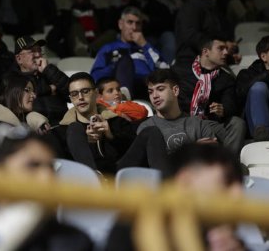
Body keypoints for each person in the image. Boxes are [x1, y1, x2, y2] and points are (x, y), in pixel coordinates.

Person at [106, 143, 245, 251]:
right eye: (227, 181)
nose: (238, 195)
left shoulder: (232, 242)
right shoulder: (130, 231)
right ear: (185, 180)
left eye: (240, 184)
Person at [54, 72, 169, 175]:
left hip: (118, 173)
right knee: (75, 128)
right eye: (74, 94)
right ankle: (93, 179)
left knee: (151, 131)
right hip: (85, 184)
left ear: (96, 94)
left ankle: (167, 189)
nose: (80, 97)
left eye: (85, 91)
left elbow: (132, 150)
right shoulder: (63, 130)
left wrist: (110, 135)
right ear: (71, 98)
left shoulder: (115, 120)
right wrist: (90, 143)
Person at [176, 36, 246, 157]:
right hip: (183, 121)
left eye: (226, 49)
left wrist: (223, 109)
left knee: (237, 123)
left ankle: (226, 164)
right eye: (221, 48)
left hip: (210, 123)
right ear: (205, 52)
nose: (226, 52)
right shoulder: (180, 70)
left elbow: (231, 105)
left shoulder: (226, 78)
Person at [137, 69, 217, 153]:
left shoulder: (198, 124)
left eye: (160, 89)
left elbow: (214, 159)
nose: (154, 96)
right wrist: (193, 150)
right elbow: (153, 162)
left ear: (175, 90)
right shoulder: (146, 128)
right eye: (150, 92)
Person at [91, 6, 161, 100]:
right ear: (120, 24)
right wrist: (114, 66)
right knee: (125, 60)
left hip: (147, 88)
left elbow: (163, 68)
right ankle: (124, 97)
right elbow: (95, 76)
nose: (134, 27)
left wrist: (144, 45)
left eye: (138, 23)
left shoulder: (147, 47)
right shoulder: (108, 48)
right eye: (130, 22)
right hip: (117, 89)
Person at [0, 74, 50, 152]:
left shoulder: (34, 120)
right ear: (12, 91)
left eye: (33, 91)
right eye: (27, 90)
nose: (34, 95)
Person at [12, 35, 70, 125]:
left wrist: (48, 70)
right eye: (32, 51)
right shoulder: (13, 78)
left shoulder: (50, 72)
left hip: (63, 124)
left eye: (39, 50)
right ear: (19, 59)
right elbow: (19, 99)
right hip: (35, 129)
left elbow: (72, 92)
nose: (38, 54)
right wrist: (50, 89)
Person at [46, 0, 115, 57]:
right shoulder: (65, 17)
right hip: (76, 51)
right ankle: (84, 52)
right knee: (76, 27)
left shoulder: (100, 14)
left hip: (98, 49)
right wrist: (65, 53)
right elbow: (51, 40)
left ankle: (88, 50)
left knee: (112, 33)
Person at [236, 35, 269, 141]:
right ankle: (263, 135)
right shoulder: (247, 74)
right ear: (264, 56)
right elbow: (239, 94)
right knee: (259, 87)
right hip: (256, 126)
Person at [130, 0, 176, 65]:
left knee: (169, 36)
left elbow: (168, 24)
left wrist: (148, 19)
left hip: (157, 40)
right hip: (138, 41)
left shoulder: (158, 6)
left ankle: (165, 72)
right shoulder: (130, 6)